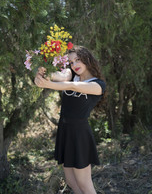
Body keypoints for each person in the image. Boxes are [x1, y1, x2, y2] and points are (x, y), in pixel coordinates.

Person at [34, 46, 106, 194]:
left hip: (79, 135)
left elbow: (73, 86)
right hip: (65, 131)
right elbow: (60, 77)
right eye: (71, 62)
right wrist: (43, 73)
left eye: (78, 60)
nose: (74, 65)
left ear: (88, 60)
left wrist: (48, 85)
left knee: (84, 184)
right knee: (71, 182)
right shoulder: (71, 74)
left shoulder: (98, 85)